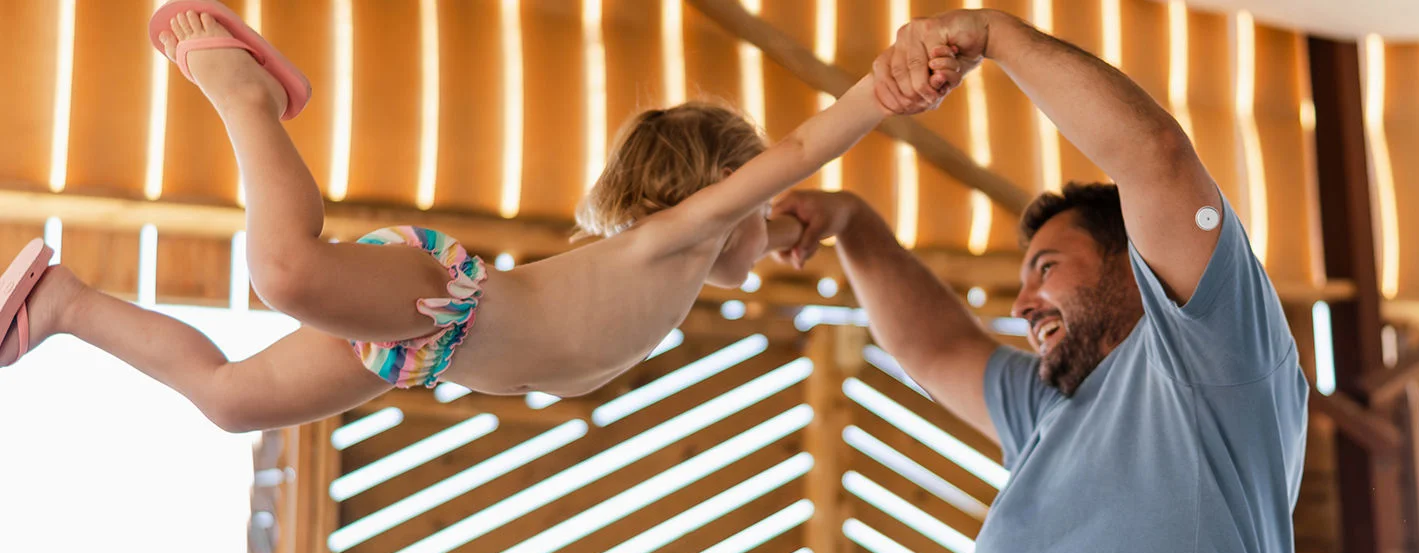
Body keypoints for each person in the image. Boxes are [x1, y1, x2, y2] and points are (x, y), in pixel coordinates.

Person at [0, 1, 949, 432]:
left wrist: (803, 227)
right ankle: (240, 86)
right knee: (284, 271)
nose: (773, 224)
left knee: (230, 402)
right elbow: (790, 159)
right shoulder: (676, 238)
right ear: (715, 189)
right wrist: (883, 89)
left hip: (426, 348)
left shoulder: (701, 255)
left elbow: (776, 222)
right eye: (761, 208)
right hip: (442, 299)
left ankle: (63, 305)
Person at [775, 8, 1308, 553]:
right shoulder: (1050, 410)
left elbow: (1154, 157)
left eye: (1047, 268)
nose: (1022, 304)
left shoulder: (1210, 351)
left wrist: (996, 35)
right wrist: (852, 224)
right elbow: (934, 346)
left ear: (1133, 263)